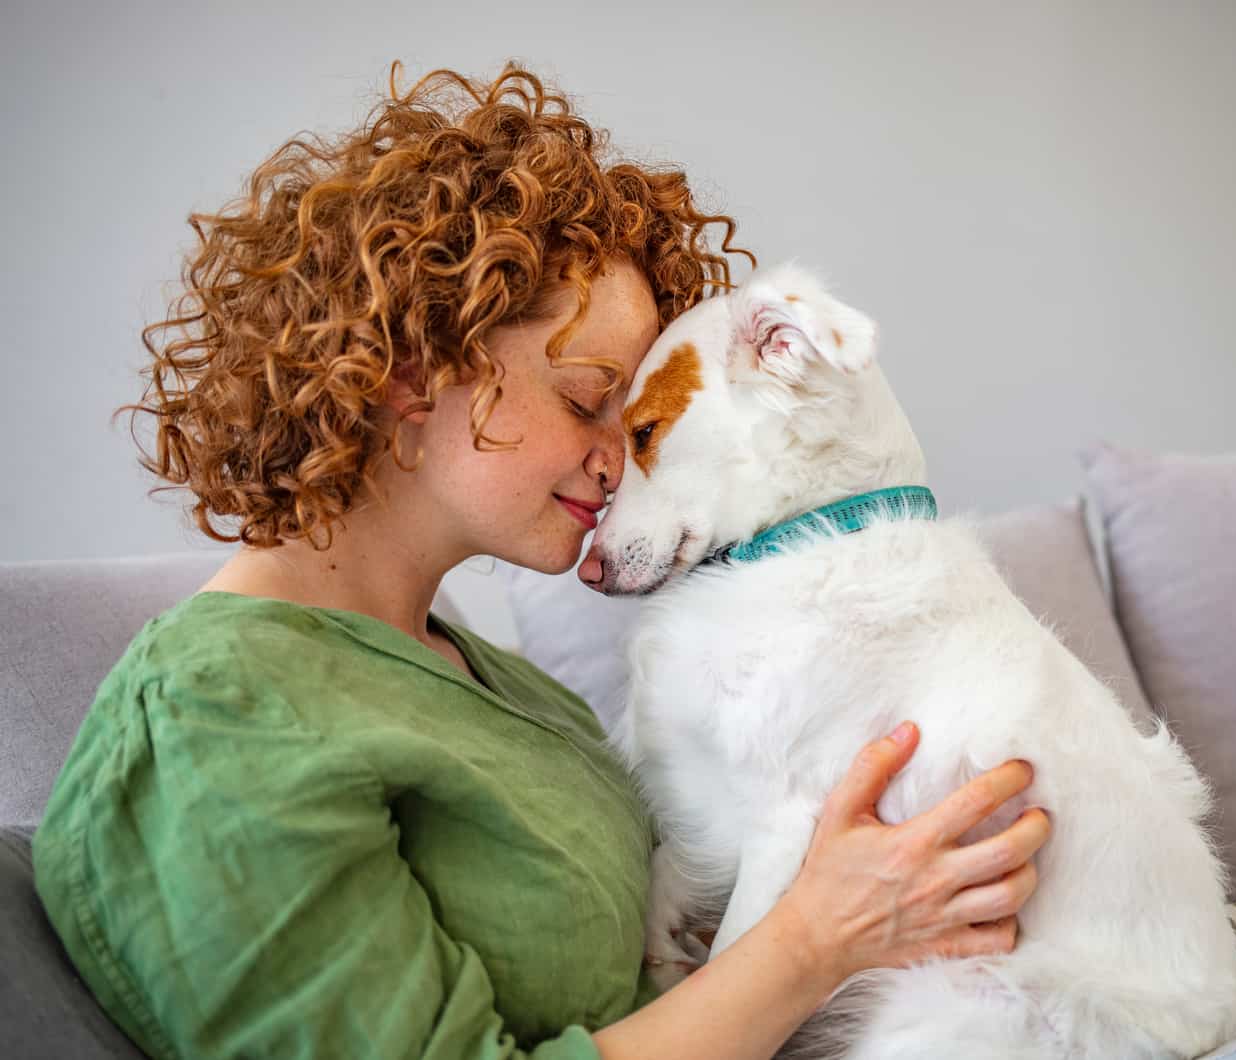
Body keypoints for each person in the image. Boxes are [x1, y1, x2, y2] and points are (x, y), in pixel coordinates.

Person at [31, 64, 1052, 1060]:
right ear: (408, 372)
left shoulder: (473, 673)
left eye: (637, 414)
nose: (622, 462)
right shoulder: (213, 723)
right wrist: (815, 940)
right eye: (584, 397)